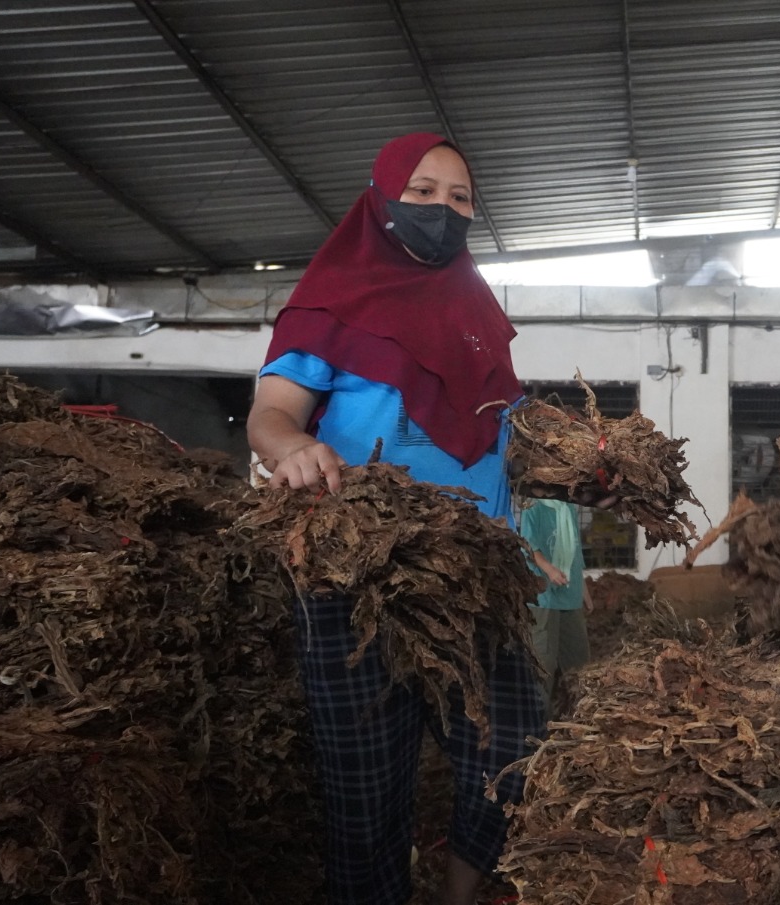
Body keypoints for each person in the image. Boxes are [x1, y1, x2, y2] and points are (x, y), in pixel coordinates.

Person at [246, 132, 543, 905]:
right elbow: (271, 414)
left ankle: (456, 898)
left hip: (476, 580)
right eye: (421, 191)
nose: (441, 210)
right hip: (358, 575)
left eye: (460, 198)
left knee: (513, 757)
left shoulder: (479, 322)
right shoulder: (329, 304)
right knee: (368, 793)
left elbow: (506, 446)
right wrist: (295, 447)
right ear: (380, 200)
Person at [519, 497, 590, 714]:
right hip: (545, 598)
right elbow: (529, 547)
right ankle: (538, 724)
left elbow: (574, 553)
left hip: (571, 594)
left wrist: (585, 592)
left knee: (579, 661)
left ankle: (579, 716)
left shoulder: (568, 506)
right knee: (543, 664)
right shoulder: (532, 507)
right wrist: (549, 570)